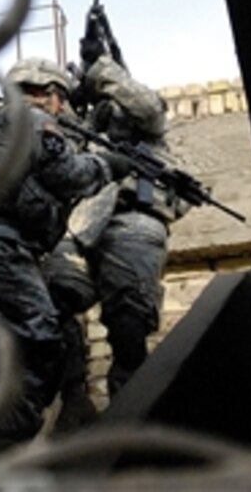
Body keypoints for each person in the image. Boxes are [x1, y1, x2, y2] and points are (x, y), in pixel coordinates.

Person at [0, 57, 112, 462]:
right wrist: (105, 166)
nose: (62, 109)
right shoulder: (30, 120)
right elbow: (68, 174)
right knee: (38, 356)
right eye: (60, 100)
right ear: (48, 95)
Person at [44, 53, 189, 428]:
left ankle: (129, 410)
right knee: (53, 298)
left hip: (134, 221)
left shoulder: (146, 117)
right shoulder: (79, 120)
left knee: (130, 320)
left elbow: (149, 109)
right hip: (79, 221)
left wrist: (102, 68)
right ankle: (74, 399)